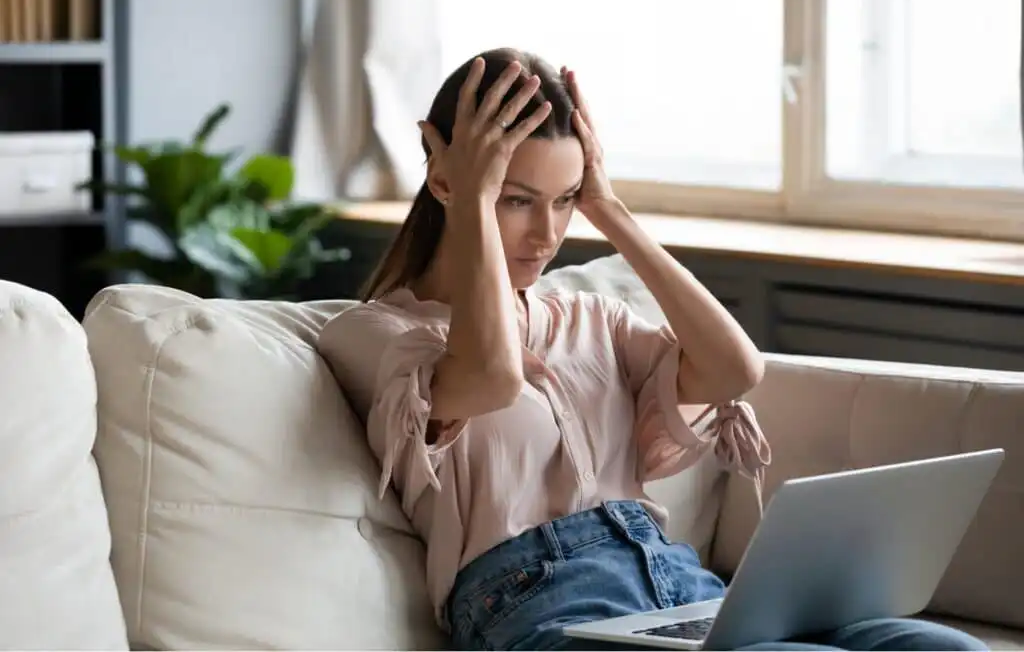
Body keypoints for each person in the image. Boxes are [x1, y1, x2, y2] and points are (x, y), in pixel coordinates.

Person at [321, 48, 987, 651]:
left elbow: (736, 369)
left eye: (565, 201)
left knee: (942, 649)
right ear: (444, 183)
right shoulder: (372, 335)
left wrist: (609, 210)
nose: (547, 233)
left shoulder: (591, 318)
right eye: (516, 200)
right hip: (542, 610)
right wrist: (474, 199)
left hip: (675, 583)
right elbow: (491, 376)